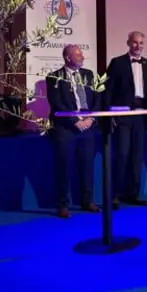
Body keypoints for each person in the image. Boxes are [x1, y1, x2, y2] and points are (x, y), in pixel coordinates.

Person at [46, 44, 100, 218]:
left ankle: (87, 201)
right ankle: (63, 204)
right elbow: (56, 103)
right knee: (64, 167)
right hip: (66, 129)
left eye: (82, 54)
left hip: (88, 128)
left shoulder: (89, 75)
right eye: (78, 55)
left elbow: (97, 99)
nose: (82, 57)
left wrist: (91, 119)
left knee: (87, 166)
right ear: (68, 58)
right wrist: (76, 121)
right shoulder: (54, 77)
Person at [104, 31, 147, 208]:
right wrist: (109, 115)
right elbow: (108, 90)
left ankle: (134, 194)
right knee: (122, 155)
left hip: (141, 116)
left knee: (137, 156)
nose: (138, 46)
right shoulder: (117, 62)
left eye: (141, 43)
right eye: (135, 42)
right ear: (128, 43)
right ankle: (116, 195)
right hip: (123, 116)